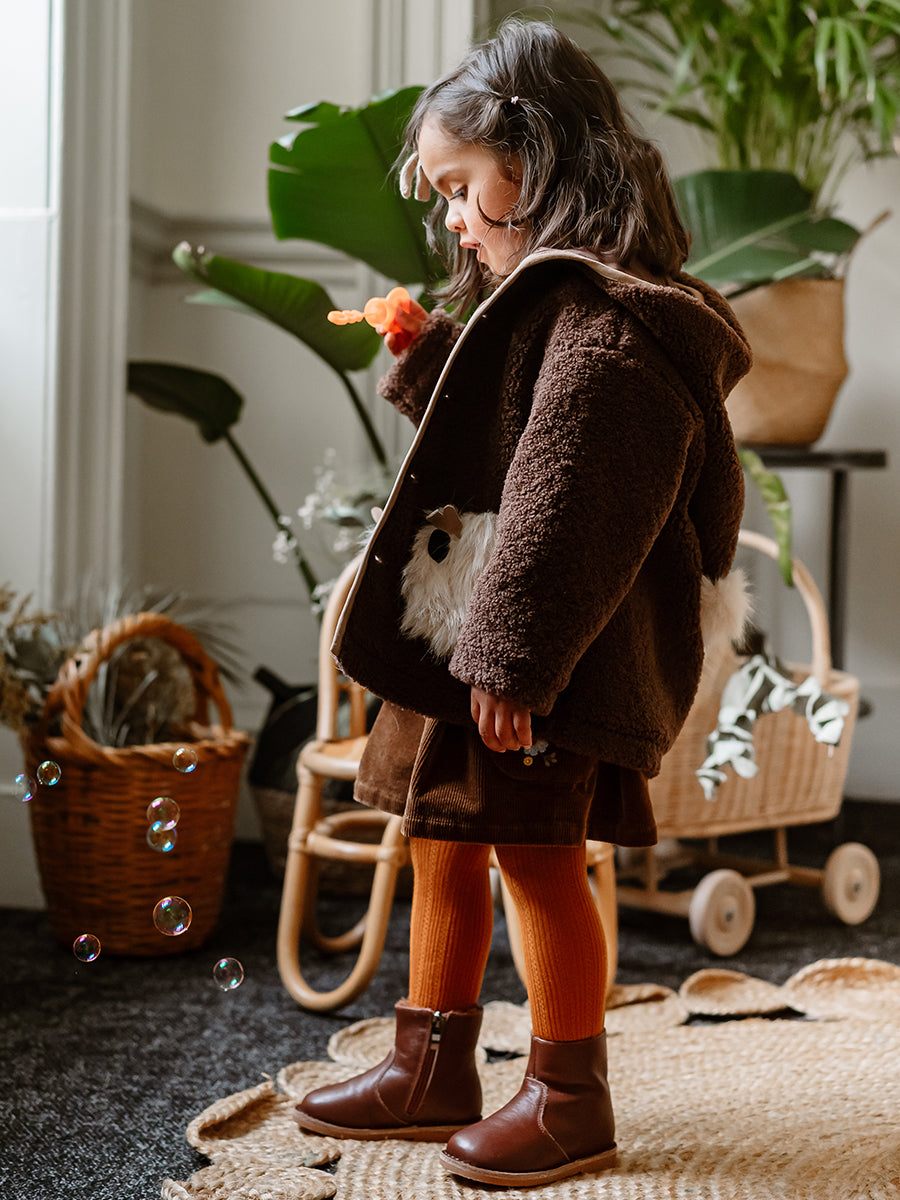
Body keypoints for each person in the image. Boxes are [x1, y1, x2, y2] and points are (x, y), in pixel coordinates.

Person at [294, 17, 751, 1190]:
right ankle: (432, 1064)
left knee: (533, 856)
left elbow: (569, 500)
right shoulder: (562, 309)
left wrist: (513, 660)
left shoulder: (613, 329)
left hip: (536, 652)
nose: (452, 216)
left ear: (533, 160)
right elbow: (509, 436)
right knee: (442, 837)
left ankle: (568, 1094)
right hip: (477, 630)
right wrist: (428, 356)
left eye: (462, 187)